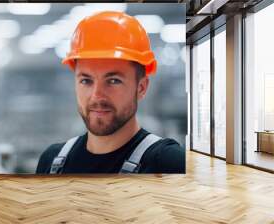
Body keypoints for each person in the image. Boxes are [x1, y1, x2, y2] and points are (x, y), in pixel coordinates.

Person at [36, 11, 185, 174]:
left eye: (113, 81)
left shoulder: (169, 163)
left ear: (141, 88)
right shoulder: (51, 161)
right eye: (86, 81)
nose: (96, 96)